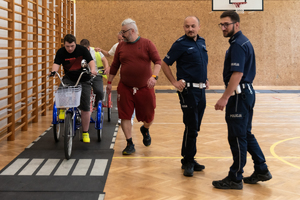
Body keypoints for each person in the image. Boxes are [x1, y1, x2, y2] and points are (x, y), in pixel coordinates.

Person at [212, 11, 272, 190]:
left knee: (237, 137)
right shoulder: (241, 41)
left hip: (239, 96)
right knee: (245, 134)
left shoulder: (238, 44)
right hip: (246, 94)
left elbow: (237, 74)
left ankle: (235, 177)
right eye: (221, 25)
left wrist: (225, 97)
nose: (223, 28)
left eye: (226, 24)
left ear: (236, 25)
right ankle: (261, 169)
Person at [161, 16, 209, 177]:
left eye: (193, 26)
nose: (190, 29)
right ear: (184, 28)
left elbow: (200, 64)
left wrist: (205, 79)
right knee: (191, 125)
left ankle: (188, 158)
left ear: (199, 27)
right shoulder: (180, 44)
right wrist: (174, 81)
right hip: (187, 91)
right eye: (187, 26)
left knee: (195, 126)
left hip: (201, 90)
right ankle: (188, 160)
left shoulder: (201, 42)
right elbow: (164, 63)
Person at [106, 18, 161, 155]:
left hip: (144, 88)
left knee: (149, 116)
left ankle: (145, 129)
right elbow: (114, 66)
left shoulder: (147, 43)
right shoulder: (120, 46)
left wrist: (154, 77)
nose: (121, 35)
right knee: (125, 115)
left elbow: (158, 61)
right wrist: (109, 83)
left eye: (123, 32)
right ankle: (129, 143)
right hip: (125, 87)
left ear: (132, 31)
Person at [51, 34, 97, 143]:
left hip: (83, 79)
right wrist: (53, 71)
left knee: (85, 107)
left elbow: (90, 61)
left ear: (75, 43)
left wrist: (93, 69)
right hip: (69, 78)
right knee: (61, 92)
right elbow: (56, 64)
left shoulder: (82, 50)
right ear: (64, 45)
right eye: (67, 46)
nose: (70, 48)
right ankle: (62, 110)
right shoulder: (61, 52)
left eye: (72, 46)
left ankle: (85, 132)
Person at [96, 32, 135, 125]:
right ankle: (122, 117)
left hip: (133, 76)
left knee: (132, 97)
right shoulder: (117, 46)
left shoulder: (132, 46)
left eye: (122, 39)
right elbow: (109, 54)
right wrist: (101, 50)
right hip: (123, 76)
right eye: (119, 40)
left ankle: (131, 117)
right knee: (122, 97)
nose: (121, 41)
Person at [80, 39, 109, 106]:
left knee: (99, 91)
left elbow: (105, 60)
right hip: (85, 76)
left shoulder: (96, 51)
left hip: (97, 75)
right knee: (82, 91)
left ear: (88, 47)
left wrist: (106, 67)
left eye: (85, 49)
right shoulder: (79, 52)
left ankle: (98, 104)